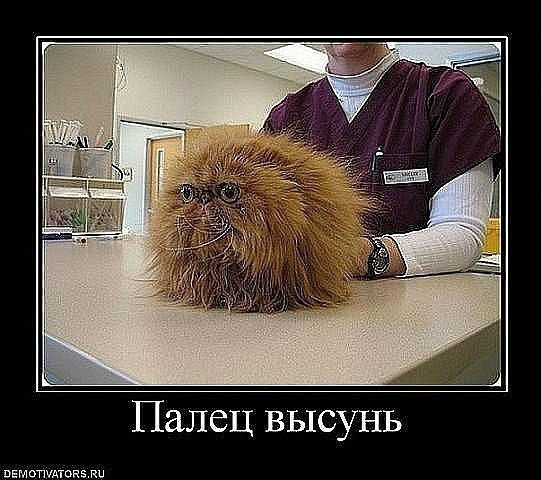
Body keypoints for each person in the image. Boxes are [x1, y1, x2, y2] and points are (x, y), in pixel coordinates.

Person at [262, 42, 501, 279]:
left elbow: (462, 235)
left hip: (420, 298)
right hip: (303, 298)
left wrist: (360, 256)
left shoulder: (446, 94)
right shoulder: (285, 118)